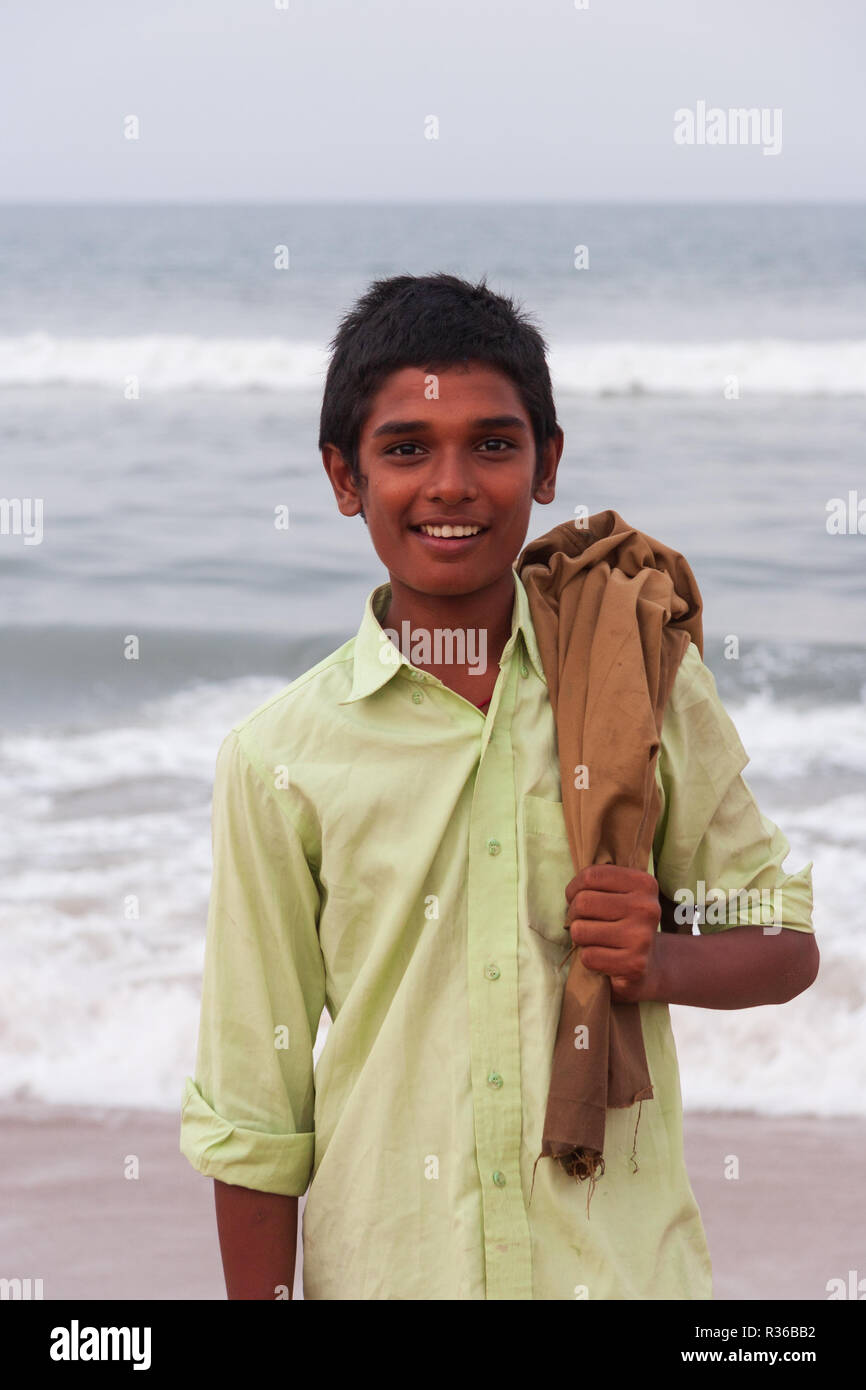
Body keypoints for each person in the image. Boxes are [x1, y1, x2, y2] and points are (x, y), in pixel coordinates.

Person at [179, 272, 818, 1300]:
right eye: (403, 449)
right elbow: (255, 1106)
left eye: (491, 442)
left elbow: (782, 937)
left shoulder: (638, 683)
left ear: (546, 462)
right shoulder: (276, 758)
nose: (450, 483)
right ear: (343, 477)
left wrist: (660, 956)